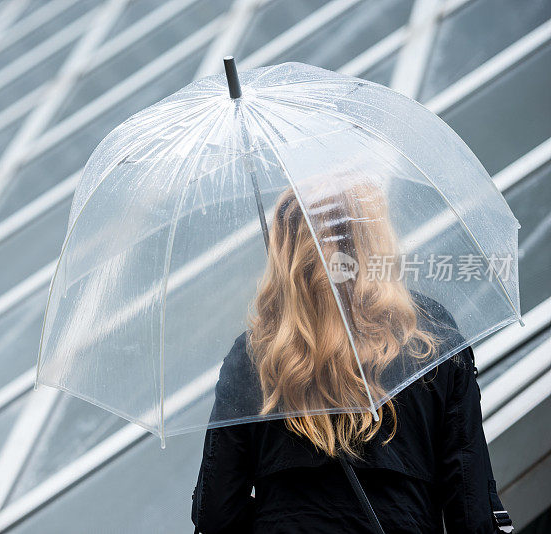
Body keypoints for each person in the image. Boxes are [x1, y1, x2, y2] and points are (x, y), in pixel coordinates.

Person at [191, 183, 513, 533]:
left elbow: (215, 512)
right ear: (375, 237)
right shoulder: (428, 336)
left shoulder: (257, 354)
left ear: (285, 247)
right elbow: (472, 507)